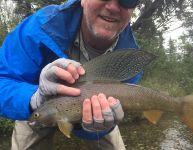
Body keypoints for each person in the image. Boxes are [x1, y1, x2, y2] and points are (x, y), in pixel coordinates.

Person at [0, 0, 143, 149]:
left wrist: (93, 127)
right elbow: (2, 79)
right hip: (36, 110)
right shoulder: (40, 26)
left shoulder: (131, 58)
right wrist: (33, 100)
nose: (113, 7)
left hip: (95, 117)